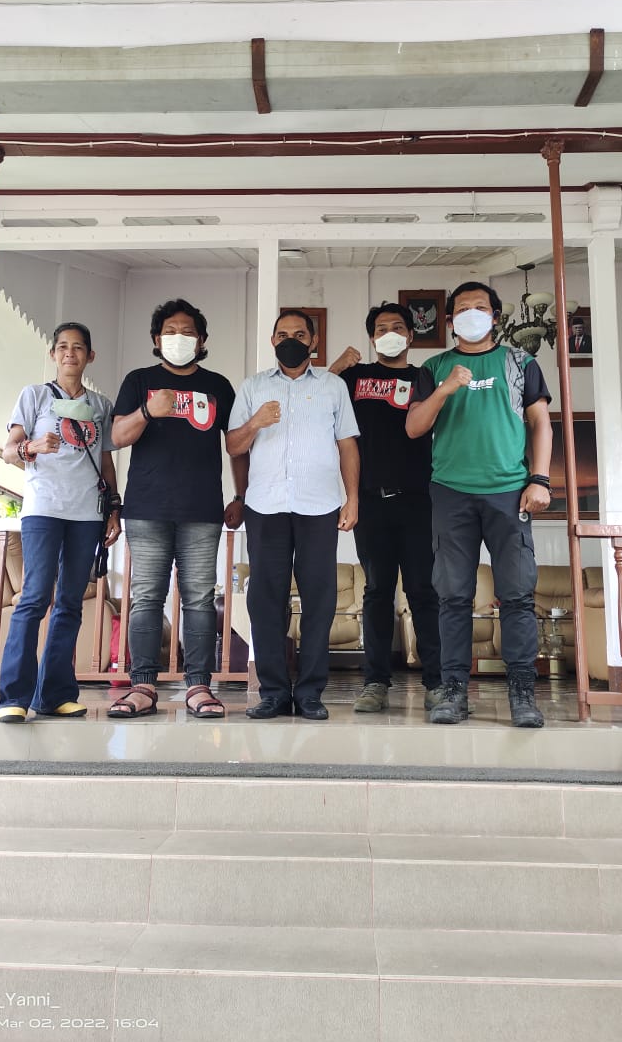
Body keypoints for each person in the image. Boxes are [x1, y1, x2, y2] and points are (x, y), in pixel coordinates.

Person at [407, 281, 553, 729]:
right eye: (462, 308)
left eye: (480, 307)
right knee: (452, 595)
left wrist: (540, 479)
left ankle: (522, 692)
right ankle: (453, 690)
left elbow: (541, 423)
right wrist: (446, 389)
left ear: (494, 316)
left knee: (517, 595)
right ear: (450, 320)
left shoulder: (520, 362)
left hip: (509, 491)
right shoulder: (434, 367)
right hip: (451, 492)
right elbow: (414, 427)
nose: (472, 313)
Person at [109, 298, 247, 719]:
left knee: (199, 600)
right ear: (157, 338)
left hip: (202, 510)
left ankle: (199, 687)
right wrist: (148, 410)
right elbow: (117, 436)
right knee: (146, 597)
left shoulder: (218, 385)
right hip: (147, 508)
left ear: (201, 340)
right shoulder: (139, 380)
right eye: (170, 331)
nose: (179, 338)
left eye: (188, 332)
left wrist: (240, 496)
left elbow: (236, 445)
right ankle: (143, 687)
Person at [226, 309, 360, 721]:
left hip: (319, 505)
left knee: (320, 599)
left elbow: (348, 445)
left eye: (300, 334)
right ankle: (272, 693)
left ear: (313, 341)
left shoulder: (333, 386)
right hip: (265, 506)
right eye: (283, 334)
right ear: (272, 341)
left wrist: (352, 498)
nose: (291, 341)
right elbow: (234, 446)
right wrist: (256, 422)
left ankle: (310, 693)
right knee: (265, 600)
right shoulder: (253, 387)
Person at [0, 322, 121, 723]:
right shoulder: (34, 395)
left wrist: (114, 508)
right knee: (34, 598)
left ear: (90, 356)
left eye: (78, 347)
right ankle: (13, 697)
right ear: (53, 354)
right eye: (63, 346)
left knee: (70, 602)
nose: (70, 353)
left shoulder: (101, 405)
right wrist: (31, 446)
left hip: (87, 513)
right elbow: (8, 451)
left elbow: (105, 460)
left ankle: (55, 695)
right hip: (44, 509)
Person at [329, 302, 443, 714]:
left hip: (418, 500)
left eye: (398, 327)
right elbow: (315, 399)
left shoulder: (422, 377)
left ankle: (437, 682)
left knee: (423, 590)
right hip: (370, 501)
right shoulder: (355, 377)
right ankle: (375, 682)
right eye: (381, 329)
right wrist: (337, 366)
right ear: (372, 338)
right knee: (377, 592)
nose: (389, 333)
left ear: (411, 336)